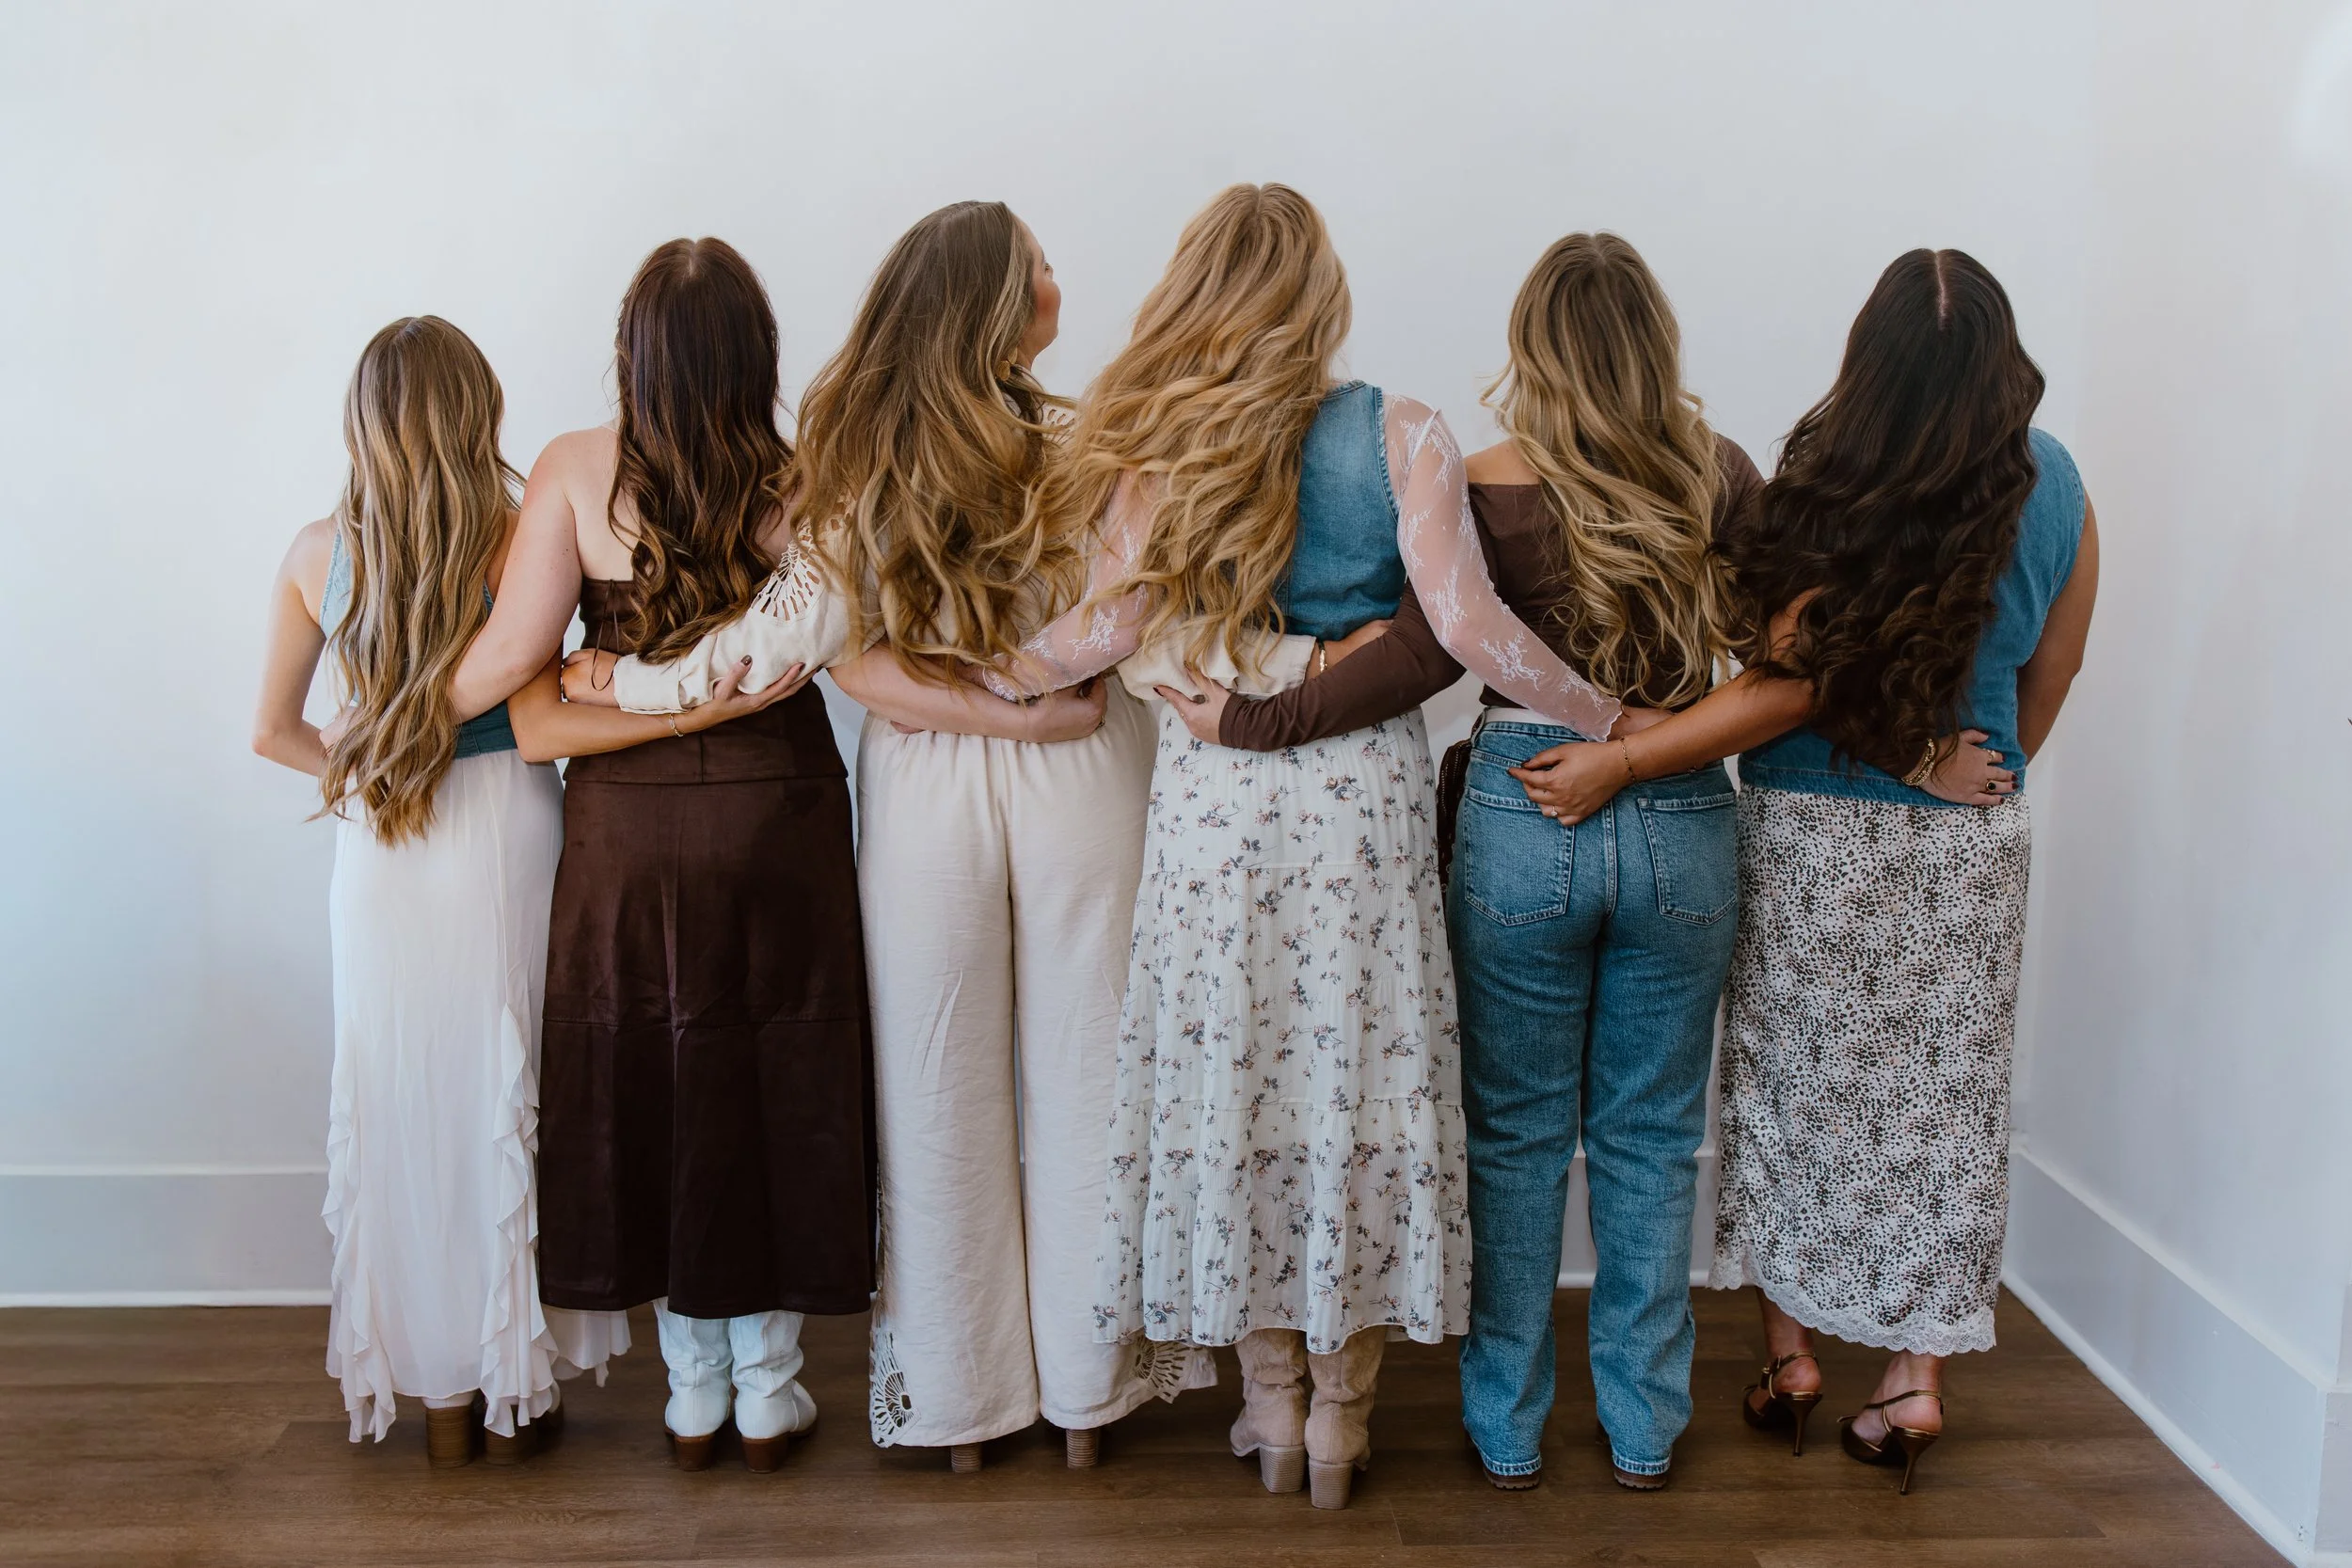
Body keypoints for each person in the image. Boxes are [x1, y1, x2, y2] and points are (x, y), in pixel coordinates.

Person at [983, 182, 1629, 1510]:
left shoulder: (1159, 448)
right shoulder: (1400, 431)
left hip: (1219, 808)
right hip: (1360, 809)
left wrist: (987, 670)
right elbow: (1468, 628)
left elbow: (1100, 635)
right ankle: (1343, 1420)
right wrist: (1612, 714)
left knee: (1241, 1091)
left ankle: (1269, 1408)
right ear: (1322, 298)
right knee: (1360, 1094)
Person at [564, 202, 1223, 1473]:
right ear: (996, 303)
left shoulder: (857, 453)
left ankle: (961, 1406)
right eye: (1037, 263)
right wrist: (1031, 708)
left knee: (933, 1088)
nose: (1055, 277)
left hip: (927, 780)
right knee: (1090, 1075)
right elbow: (1141, 611)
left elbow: (827, 658)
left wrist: (618, 685)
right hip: (1082, 757)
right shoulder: (1102, 441)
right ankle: (1088, 1398)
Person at [1514, 247, 2095, 1494]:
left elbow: (1785, 673)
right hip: (1968, 844)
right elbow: (2054, 668)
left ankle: (1789, 1360)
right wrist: (1984, 765)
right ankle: (1915, 1379)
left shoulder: (1828, 481)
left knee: (1788, 1089)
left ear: (1867, 360)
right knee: (1946, 1105)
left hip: (1816, 828)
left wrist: (1647, 746)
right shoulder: (2061, 486)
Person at [445, 238, 889, 1472]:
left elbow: (509, 662)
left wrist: (407, 699)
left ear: (632, 350)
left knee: (652, 1070)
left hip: (628, 827)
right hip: (779, 811)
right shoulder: (808, 477)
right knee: (775, 1072)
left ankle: (691, 1390)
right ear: (759, 353)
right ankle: (769, 1383)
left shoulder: (576, 471)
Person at [249, 317, 633, 1467]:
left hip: (383, 844)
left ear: (362, 417)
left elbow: (272, 730)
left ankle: (443, 1400)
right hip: (506, 822)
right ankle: (519, 1374)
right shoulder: (518, 537)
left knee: (402, 1101)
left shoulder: (317, 552)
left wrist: (368, 768)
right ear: (480, 408)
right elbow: (544, 670)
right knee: (510, 1086)